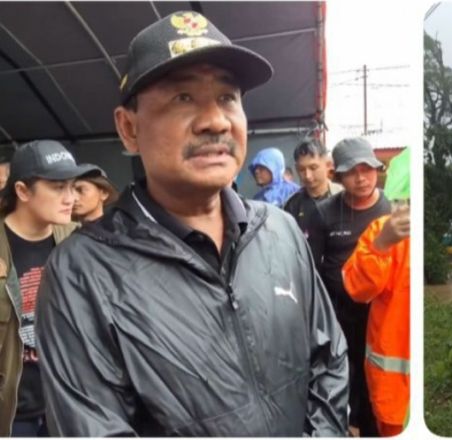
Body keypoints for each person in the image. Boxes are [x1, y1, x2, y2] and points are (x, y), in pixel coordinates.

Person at [34, 11, 348, 437]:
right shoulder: (83, 273)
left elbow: (329, 359)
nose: (215, 121)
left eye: (227, 97)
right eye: (183, 97)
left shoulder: (280, 231)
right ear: (129, 128)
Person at [0, 140, 99, 436]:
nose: (71, 198)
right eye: (58, 187)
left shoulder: (79, 241)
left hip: (68, 401)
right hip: (13, 412)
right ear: (22, 191)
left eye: (73, 187)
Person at [307, 137, 391, 437]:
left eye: (367, 169)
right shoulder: (324, 213)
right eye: (352, 172)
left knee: (374, 379)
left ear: (376, 170)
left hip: (379, 315)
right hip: (338, 313)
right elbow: (312, 269)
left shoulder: (391, 210)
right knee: (342, 376)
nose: (361, 178)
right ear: (339, 176)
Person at [342, 148, 410, 437]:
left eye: (366, 170)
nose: (360, 179)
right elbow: (357, 287)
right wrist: (381, 244)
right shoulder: (383, 231)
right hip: (393, 393)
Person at [283, 137, 342, 240]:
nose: (307, 176)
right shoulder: (292, 205)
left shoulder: (343, 197)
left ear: (328, 165)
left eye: (313, 168)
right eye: (301, 169)